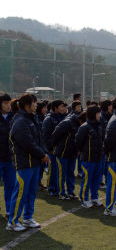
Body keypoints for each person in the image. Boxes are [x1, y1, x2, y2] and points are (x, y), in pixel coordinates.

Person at [7, 94, 50, 232]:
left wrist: (44, 152)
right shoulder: (20, 121)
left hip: (35, 163)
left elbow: (39, 138)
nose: (36, 105)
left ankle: (27, 218)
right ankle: (13, 222)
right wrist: (41, 154)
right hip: (24, 163)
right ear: (27, 105)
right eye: (34, 103)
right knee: (20, 192)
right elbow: (27, 143)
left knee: (31, 192)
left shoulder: (32, 118)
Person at [51, 101, 82, 201]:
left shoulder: (78, 124)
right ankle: (61, 193)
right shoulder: (67, 122)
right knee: (61, 174)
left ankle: (70, 192)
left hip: (72, 154)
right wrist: (55, 147)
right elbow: (55, 135)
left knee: (70, 173)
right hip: (62, 153)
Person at [75, 105, 103, 208]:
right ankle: (84, 199)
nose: (100, 115)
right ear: (93, 114)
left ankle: (94, 197)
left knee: (96, 179)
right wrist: (83, 152)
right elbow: (78, 142)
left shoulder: (99, 126)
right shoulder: (84, 127)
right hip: (88, 158)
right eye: (98, 113)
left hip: (98, 158)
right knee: (87, 179)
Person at [42, 100, 66, 196]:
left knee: (60, 171)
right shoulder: (49, 119)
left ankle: (59, 189)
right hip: (52, 150)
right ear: (55, 108)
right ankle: (52, 189)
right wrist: (50, 148)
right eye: (61, 106)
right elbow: (46, 136)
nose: (63, 108)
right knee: (53, 170)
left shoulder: (64, 117)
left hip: (61, 149)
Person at [0, 93, 15, 220]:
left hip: (10, 158)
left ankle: (9, 210)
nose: (8, 106)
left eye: (9, 103)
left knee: (10, 185)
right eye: (5, 103)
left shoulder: (14, 117)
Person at [99, 100, 113, 188]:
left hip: (107, 144)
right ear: (107, 106)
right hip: (102, 145)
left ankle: (108, 181)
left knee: (107, 164)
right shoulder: (101, 116)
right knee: (102, 165)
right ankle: (100, 182)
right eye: (111, 105)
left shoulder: (110, 116)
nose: (112, 107)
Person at [36, 101, 48, 191]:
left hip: (44, 146)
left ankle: (39, 181)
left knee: (42, 166)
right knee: (38, 166)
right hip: (38, 146)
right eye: (44, 108)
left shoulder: (44, 118)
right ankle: (36, 183)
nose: (45, 109)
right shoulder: (36, 118)